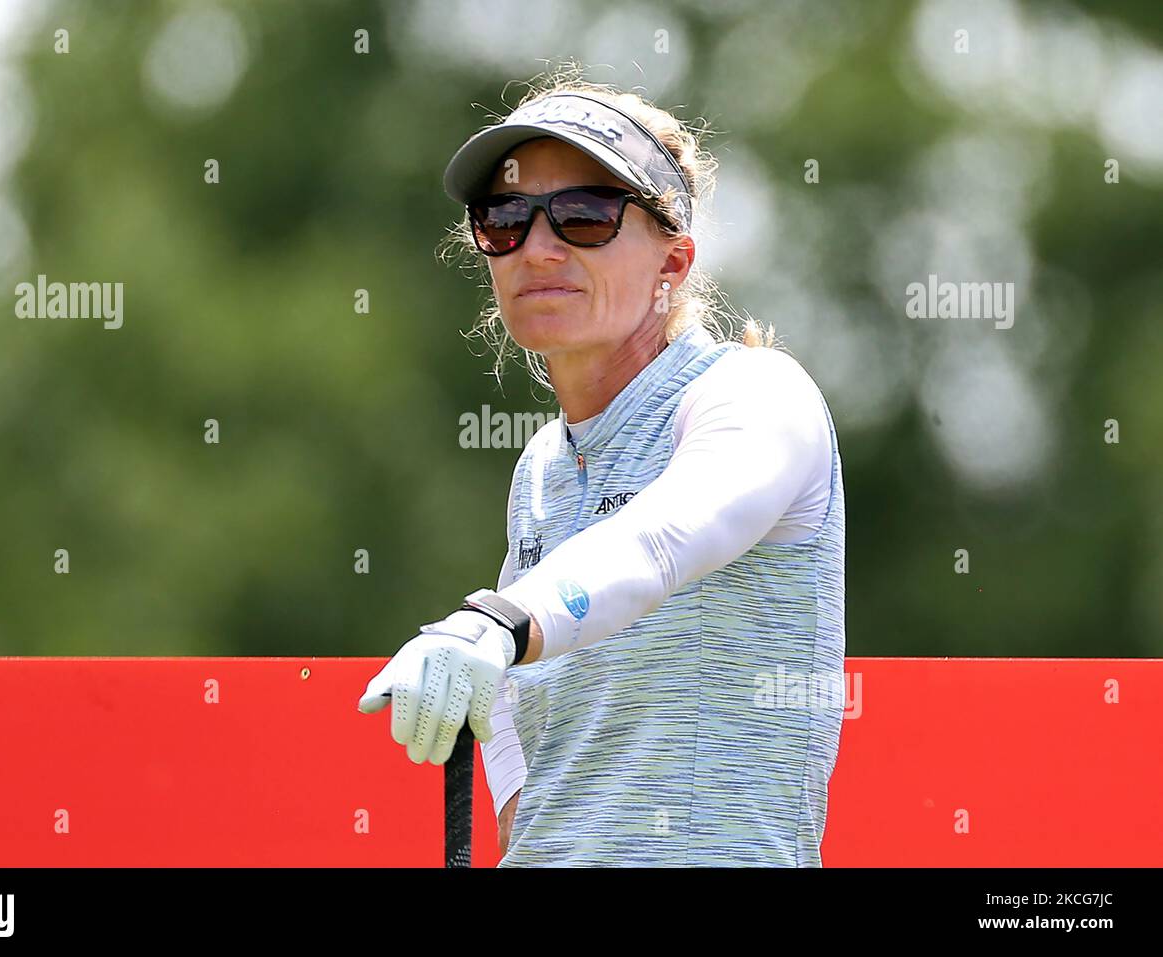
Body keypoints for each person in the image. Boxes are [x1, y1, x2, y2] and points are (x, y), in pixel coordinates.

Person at [358, 73, 846, 867]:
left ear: (674, 260)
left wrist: (499, 621)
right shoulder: (542, 466)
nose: (539, 247)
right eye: (507, 217)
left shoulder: (757, 394)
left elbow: (660, 539)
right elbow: (518, 728)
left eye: (585, 215)